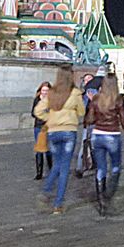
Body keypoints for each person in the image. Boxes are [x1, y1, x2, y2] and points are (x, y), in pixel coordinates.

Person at [84, 73, 124, 216]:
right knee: (115, 167)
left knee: (100, 169)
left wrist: (91, 104)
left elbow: (89, 120)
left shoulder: (96, 99)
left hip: (97, 136)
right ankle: (108, 194)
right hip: (112, 135)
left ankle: (101, 203)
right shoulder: (118, 99)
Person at [35, 66, 85, 214]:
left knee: (57, 164)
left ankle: (46, 192)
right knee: (64, 168)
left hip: (53, 132)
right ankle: (57, 203)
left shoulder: (51, 93)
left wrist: (49, 119)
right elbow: (82, 111)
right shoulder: (75, 93)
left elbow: (37, 111)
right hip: (69, 132)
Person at [75, 71, 98, 178]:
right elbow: (81, 110)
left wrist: (93, 100)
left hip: (97, 124)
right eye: (86, 80)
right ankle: (79, 168)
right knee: (83, 145)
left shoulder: (99, 93)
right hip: (87, 123)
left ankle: (96, 165)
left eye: (90, 79)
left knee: (94, 146)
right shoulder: (83, 95)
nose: (88, 81)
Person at [31, 81, 53, 180]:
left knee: (48, 149)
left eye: (47, 91)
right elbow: (33, 113)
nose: (44, 92)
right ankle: (39, 172)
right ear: (40, 91)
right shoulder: (37, 100)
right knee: (39, 149)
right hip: (38, 127)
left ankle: (51, 169)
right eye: (43, 90)